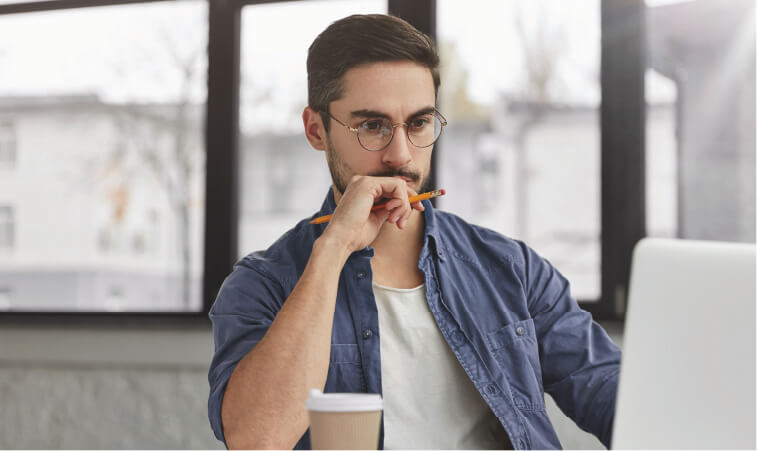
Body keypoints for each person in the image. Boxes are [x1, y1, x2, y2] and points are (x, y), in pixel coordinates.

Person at [208, 13, 621, 450]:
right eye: (372, 126)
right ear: (317, 130)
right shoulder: (262, 284)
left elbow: (616, 398)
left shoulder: (512, 268)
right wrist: (333, 251)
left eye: (419, 123)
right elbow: (256, 439)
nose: (401, 155)